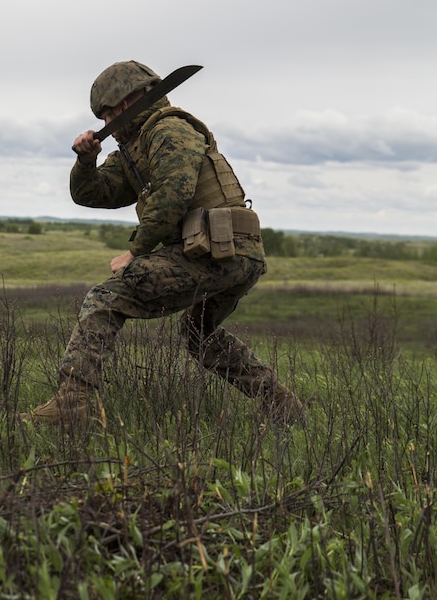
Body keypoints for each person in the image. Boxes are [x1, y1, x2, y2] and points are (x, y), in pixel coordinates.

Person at [23, 61, 304, 427]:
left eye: (108, 115)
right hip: (222, 254)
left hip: (223, 251)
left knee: (105, 298)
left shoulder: (169, 129)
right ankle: (280, 404)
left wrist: (135, 252)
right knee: (197, 334)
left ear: (124, 105)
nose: (108, 125)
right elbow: (92, 194)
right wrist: (86, 162)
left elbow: (173, 193)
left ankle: (70, 408)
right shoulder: (134, 150)